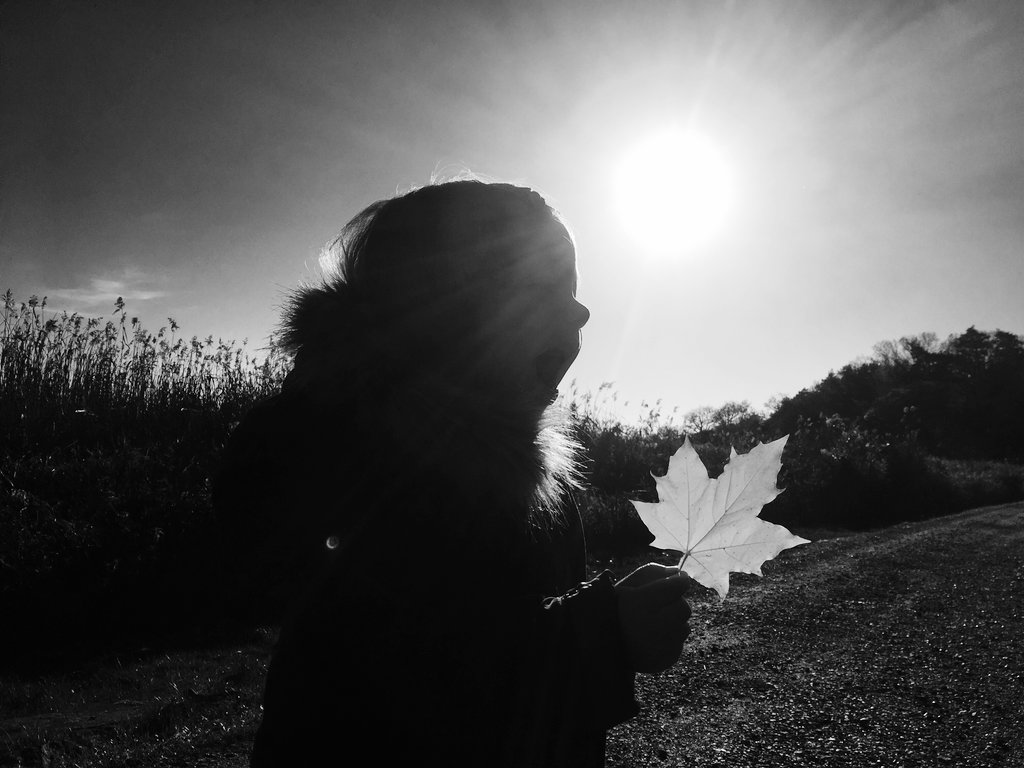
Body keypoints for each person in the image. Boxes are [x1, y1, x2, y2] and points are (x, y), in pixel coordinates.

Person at [213, 179, 691, 767]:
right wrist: (600, 636)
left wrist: (601, 627)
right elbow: (390, 677)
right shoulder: (358, 468)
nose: (582, 310)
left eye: (573, 288)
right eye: (541, 284)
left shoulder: (525, 476)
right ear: (439, 307)